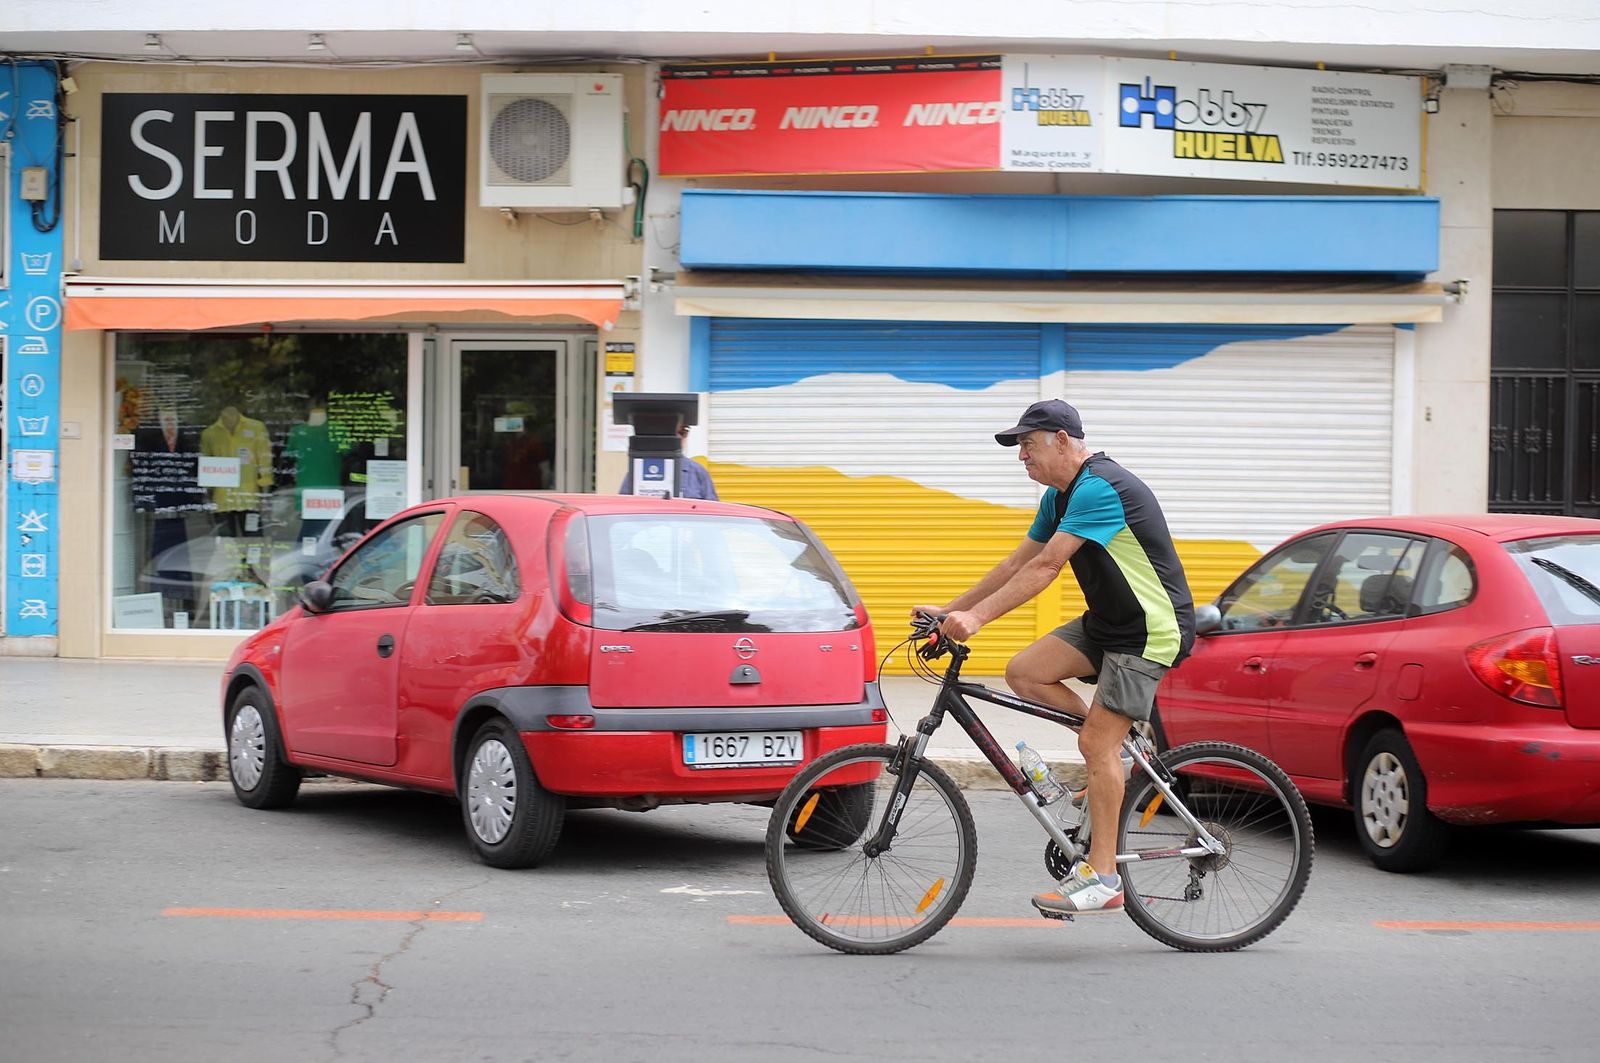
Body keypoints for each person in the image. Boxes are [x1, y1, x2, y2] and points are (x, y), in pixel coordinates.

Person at [912, 399, 1194, 916]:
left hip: (1150, 631)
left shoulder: (1100, 486)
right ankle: (1124, 750)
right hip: (1109, 624)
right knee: (1025, 673)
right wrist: (949, 611)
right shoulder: (1059, 497)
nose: (1021, 454)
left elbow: (1045, 568)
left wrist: (977, 621)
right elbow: (1015, 561)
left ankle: (1105, 879)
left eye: (1028, 442)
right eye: (1018, 445)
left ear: (1062, 440)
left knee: (1095, 744)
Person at [618, 424, 719, 500]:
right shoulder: (639, 470)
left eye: (683, 432)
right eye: (674, 432)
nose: (679, 437)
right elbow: (624, 508)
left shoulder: (698, 472)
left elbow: (713, 513)